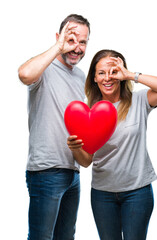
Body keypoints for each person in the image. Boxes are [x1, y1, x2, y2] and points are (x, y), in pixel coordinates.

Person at [67, 49, 157, 240]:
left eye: (113, 72)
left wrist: (130, 75)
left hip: (137, 192)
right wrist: (75, 149)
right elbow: (86, 161)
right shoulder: (86, 115)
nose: (108, 78)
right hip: (102, 195)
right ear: (94, 79)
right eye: (101, 73)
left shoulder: (138, 101)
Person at [18, 14, 90, 240]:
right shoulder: (44, 68)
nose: (77, 48)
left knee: (66, 237)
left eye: (83, 42)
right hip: (46, 171)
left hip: (73, 173)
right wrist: (58, 47)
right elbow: (24, 74)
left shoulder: (80, 77)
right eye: (71, 39)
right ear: (59, 38)